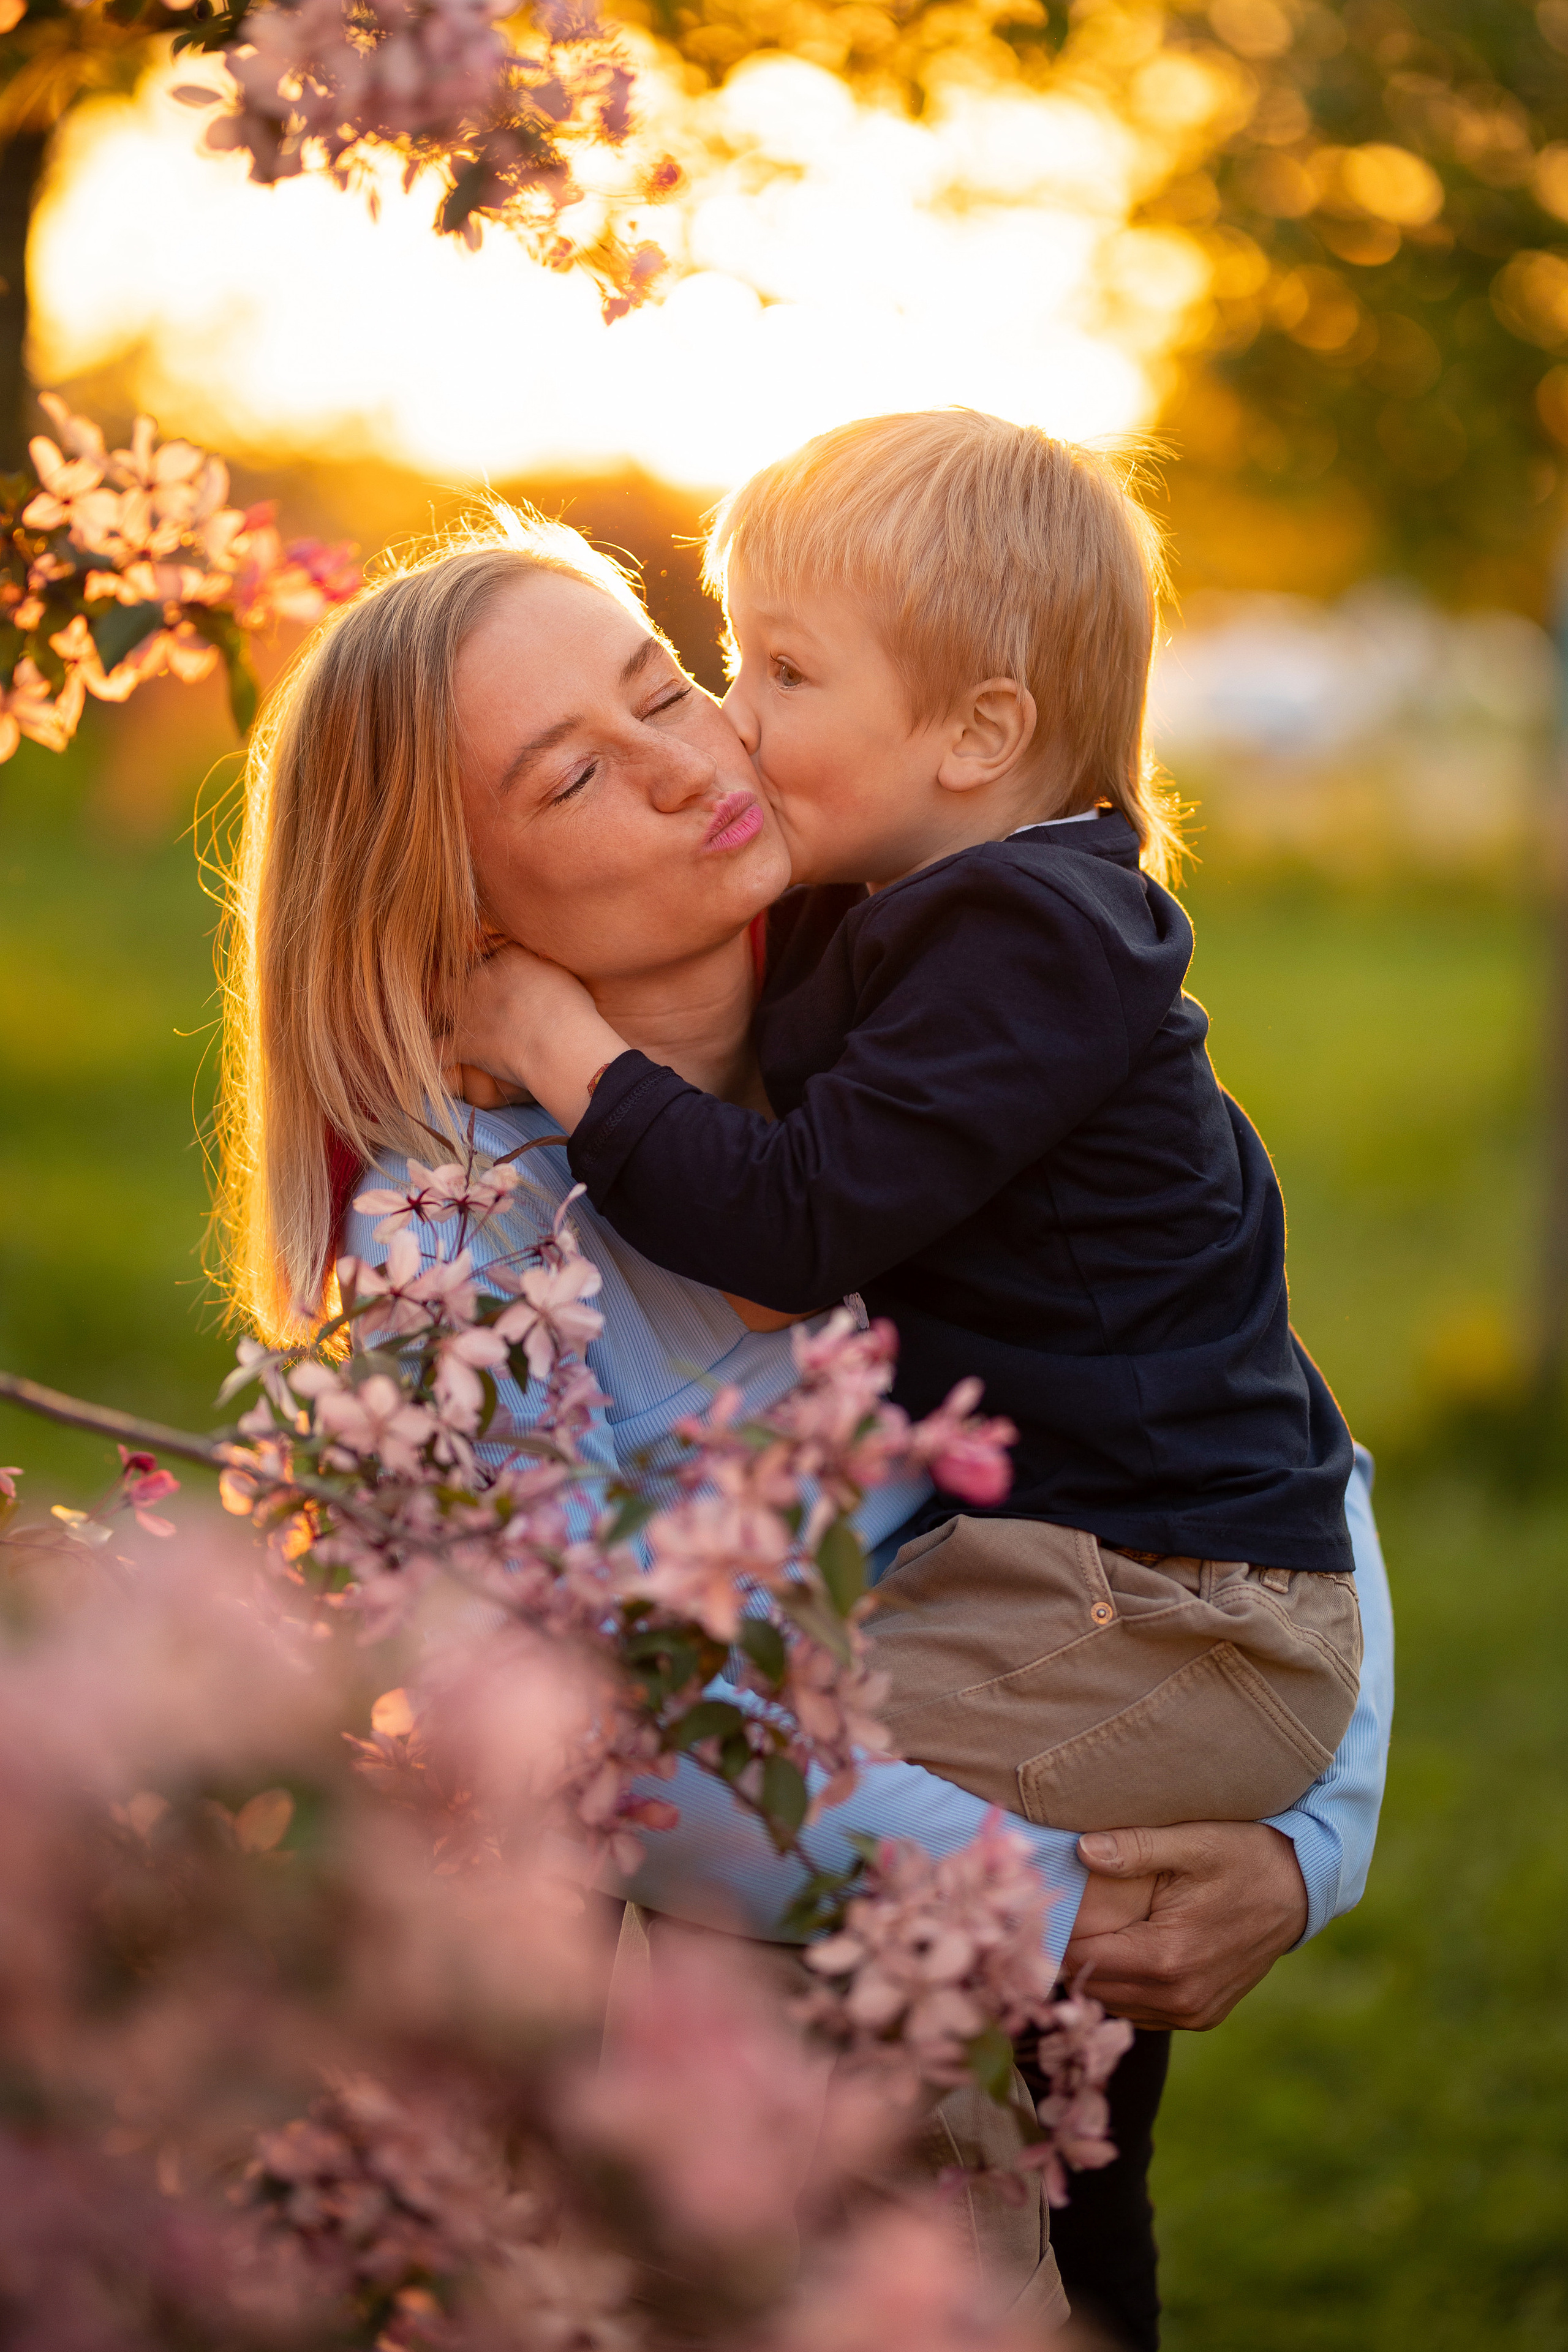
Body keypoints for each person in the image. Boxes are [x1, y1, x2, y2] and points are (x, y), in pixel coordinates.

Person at [216, 514, 1395, 2350]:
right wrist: (1067, 1904)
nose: (697, 760)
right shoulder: (463, 1266)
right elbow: (638, 1757)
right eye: (580, 774)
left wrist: (1309, 1845)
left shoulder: (932, 1020)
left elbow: (1250, 1426)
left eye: (665, 684)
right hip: (768, 2055)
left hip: (1093, 1923)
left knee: (1093, 2282)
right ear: (466, 918)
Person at [449, 409, 1363, 1868]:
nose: (734, 720)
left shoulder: (1028, 936)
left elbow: (791, 1235)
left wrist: (556, 1039)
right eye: (731, 663)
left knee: (806, 1807)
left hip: (1176, 1602)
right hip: (1070, 1577)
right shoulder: (888, 904)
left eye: (787, 672)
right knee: (823, 1866)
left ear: (979, 733)